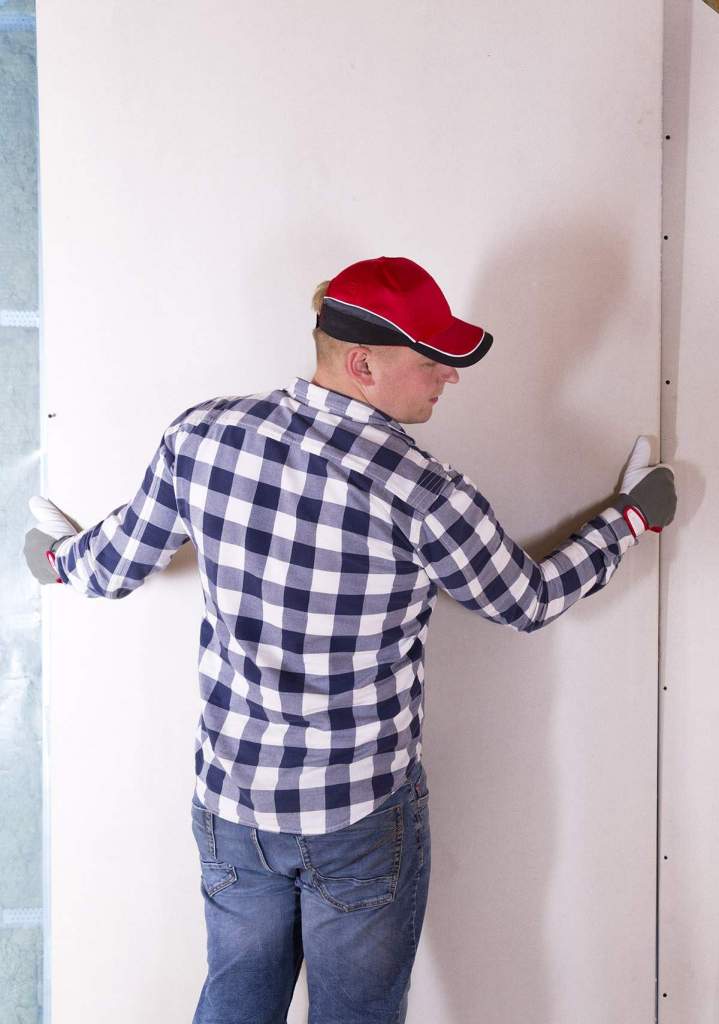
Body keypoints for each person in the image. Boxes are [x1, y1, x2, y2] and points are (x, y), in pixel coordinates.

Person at [23, 256, 677, 1024]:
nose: (449, 377)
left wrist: (59, 561)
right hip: (358, 819)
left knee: (235, 1002)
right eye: (432, 360)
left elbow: (119, 560)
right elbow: (525, 601)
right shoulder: (424, 492)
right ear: (363, 363)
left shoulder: (202, 437)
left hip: (233, 806)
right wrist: (631, 519)